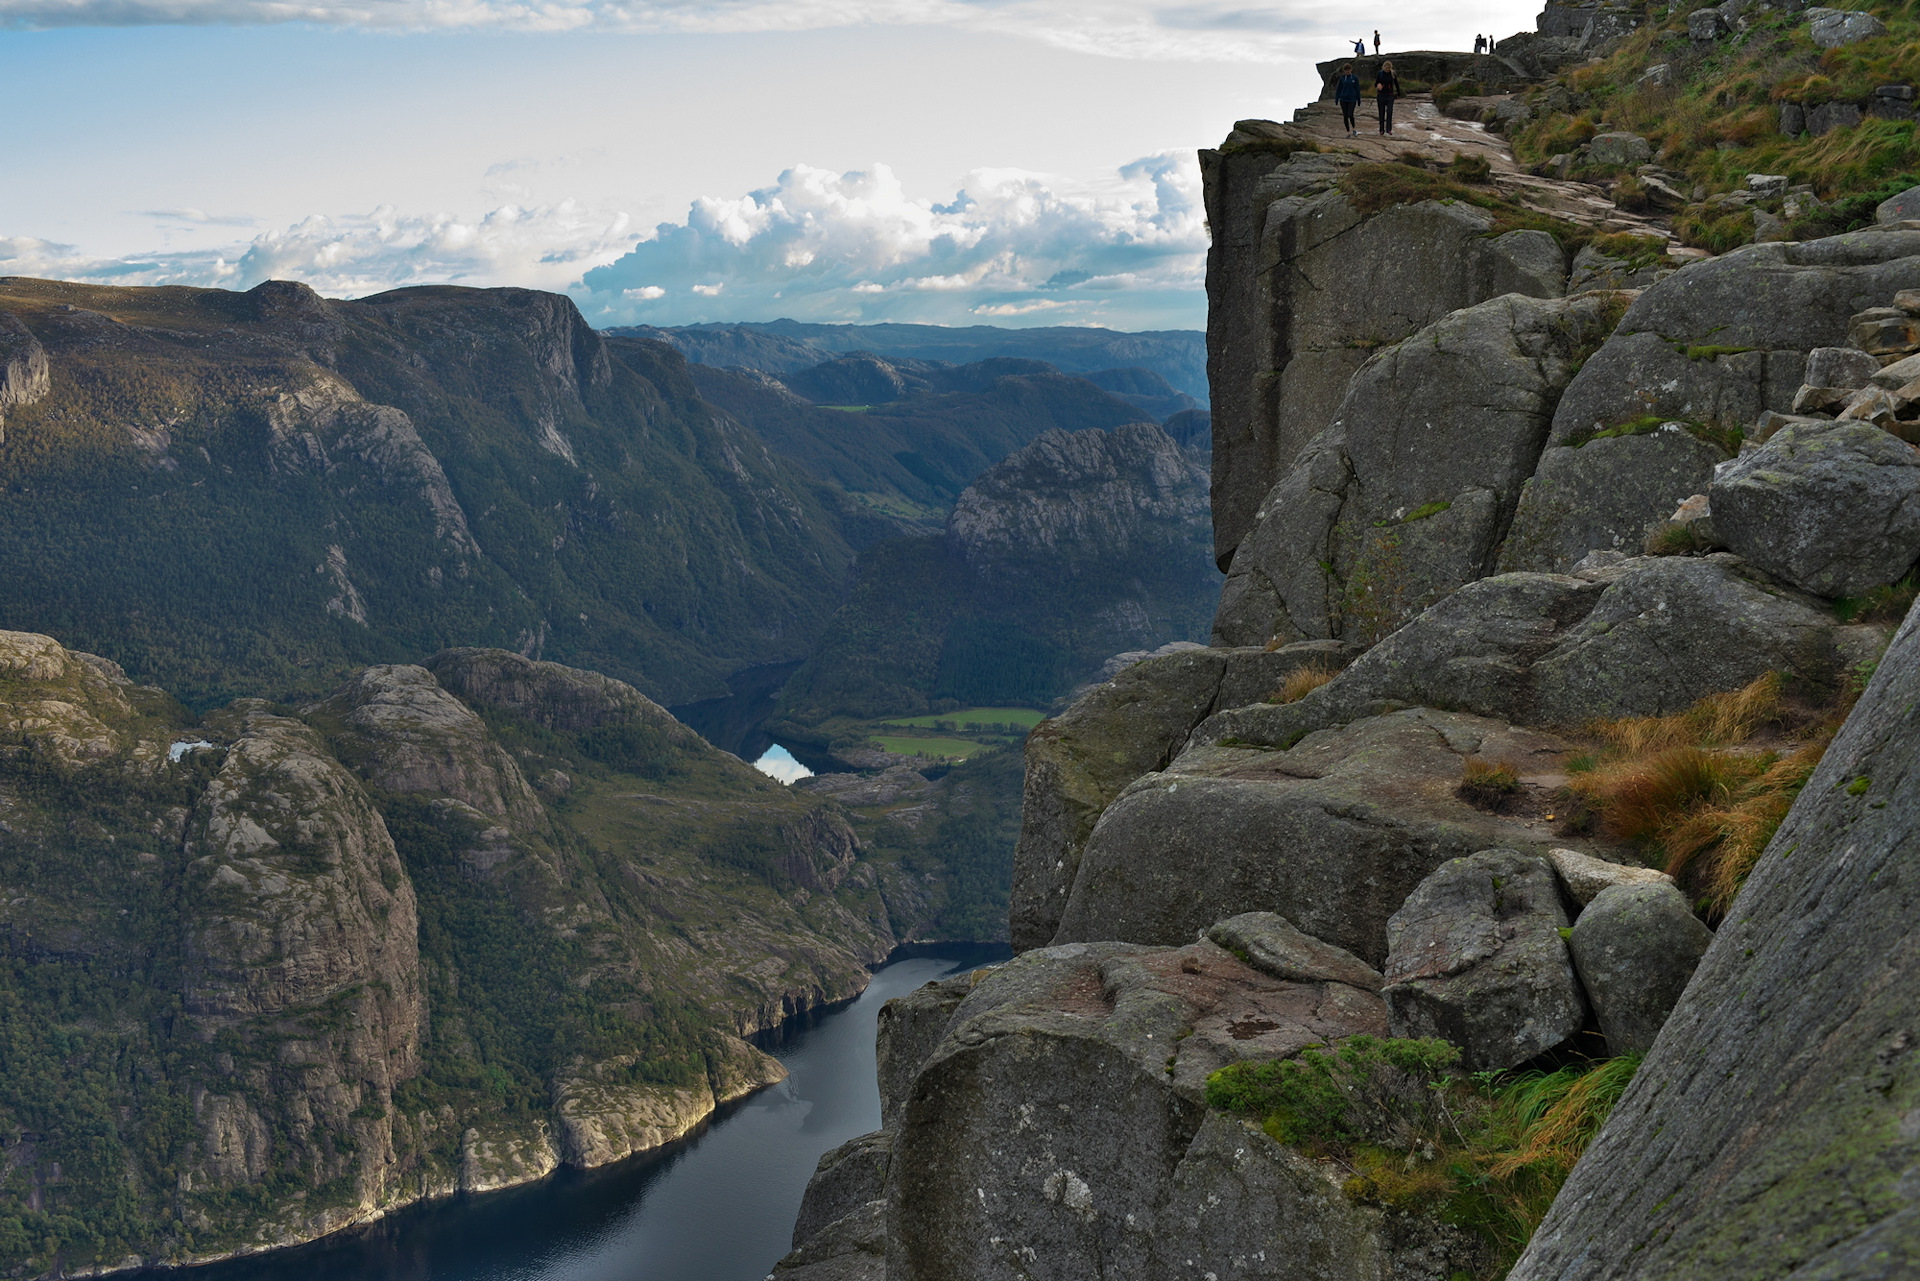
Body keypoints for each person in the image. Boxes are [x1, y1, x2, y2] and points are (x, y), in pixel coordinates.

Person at [1334, 63, 1363, 136]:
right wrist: (1337, 99)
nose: (1347, 71)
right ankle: (1347, 131)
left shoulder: (1354, 78)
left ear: (1351, 70)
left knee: (1350, 114)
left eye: (1349, 70)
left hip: (1352, 99)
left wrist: (1358, 99)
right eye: (1346, 70)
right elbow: (1339, 89)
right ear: (1344, 71)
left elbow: (1357, 89)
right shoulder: (1342, 79)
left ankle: (1354, 128)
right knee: (1345, 116)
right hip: (1343, 99)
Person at [1375, 59, 1400, 134]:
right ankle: (1381, 129)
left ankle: (1389, 129)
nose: (1387, 69)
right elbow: (1376, 83)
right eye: (1386, 67)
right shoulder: (1380, 73)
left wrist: (1399, 93)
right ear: (1384, 67)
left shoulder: (1393, 74)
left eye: (1389, 67)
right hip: (1381, 95)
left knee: (1389, 112)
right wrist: (1378, 85)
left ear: (1390, 67)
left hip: (1390, 95)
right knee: (1381, 112)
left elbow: (1396, 84)